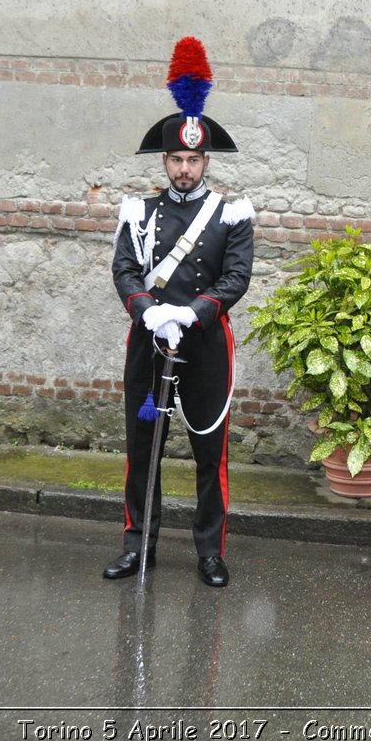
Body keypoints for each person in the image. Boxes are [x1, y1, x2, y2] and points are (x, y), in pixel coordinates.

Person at [107, 37, 255, 588]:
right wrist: (146, 310)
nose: (185, 167)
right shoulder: (138, 212)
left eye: (194, 159)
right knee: (141, 450)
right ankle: (136, 545)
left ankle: (209, 550)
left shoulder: (231, 214)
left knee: (208, 454)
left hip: (204, 342)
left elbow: (235, 278)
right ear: (165, 161)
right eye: (177, 158)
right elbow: (124, 270)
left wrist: (191, 313)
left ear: (205, 161)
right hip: (148, 340)